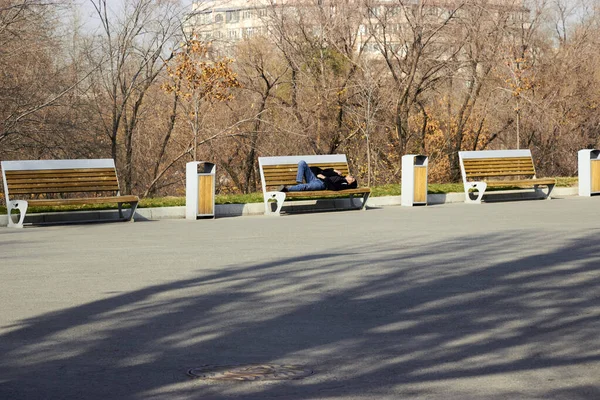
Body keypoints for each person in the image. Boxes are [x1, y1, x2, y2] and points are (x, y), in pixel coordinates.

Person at [279, 160, 358, 192]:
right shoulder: (340, 176)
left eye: (352, 177)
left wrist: (324, 178)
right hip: (314, 177)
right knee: (302, 163)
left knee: (304, 187)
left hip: (321, 183)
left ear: (351, 181)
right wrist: (333, 170)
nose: (350, 175)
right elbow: (324, 171)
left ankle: (286, 189)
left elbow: (334, 187)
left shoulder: (343, 183)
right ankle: (299, 182)